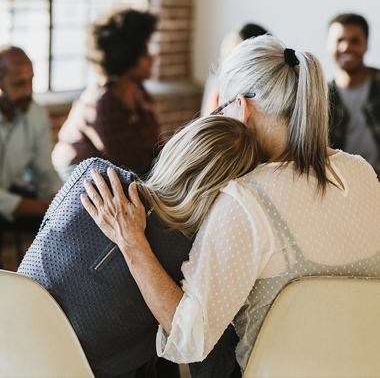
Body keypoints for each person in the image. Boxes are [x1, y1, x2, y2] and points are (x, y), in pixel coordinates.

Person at [82, 34, 380, 375]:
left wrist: (132, 243)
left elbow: (189, 339)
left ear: (243, 106)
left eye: (223, 108)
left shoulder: (247, 199)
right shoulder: (362, 173)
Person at [19, 115, 257, 378]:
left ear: (178, 148)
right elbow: (210, 361)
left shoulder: (93, 173)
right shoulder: (193, 258)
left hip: (13, 339)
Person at [52, 8, 160, 182]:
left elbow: (155, 146)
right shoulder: (101, 104)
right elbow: (131, 165)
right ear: (128, 55)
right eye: (145, 52)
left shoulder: (138, 91)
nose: (152, 58)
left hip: (119, 173)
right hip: (81, 177)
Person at [0, 45, 62, 267]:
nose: (29, 91)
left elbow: (43, 171)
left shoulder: (35, 113)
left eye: (31, 81)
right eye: (19, 84)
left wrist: (61, 201)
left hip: (7, 193)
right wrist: (39, 206)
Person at [327, 13, 380, 179]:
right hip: (342, 189)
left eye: (355, 41)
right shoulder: (320, 97)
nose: (345, 47)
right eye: (339, 40)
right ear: (328, 45)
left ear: (366, 45)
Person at [201, 23, 268, 116]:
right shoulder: (215, 87)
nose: (227, 53)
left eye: (234, 50)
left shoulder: (260, 98)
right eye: (226, 45)